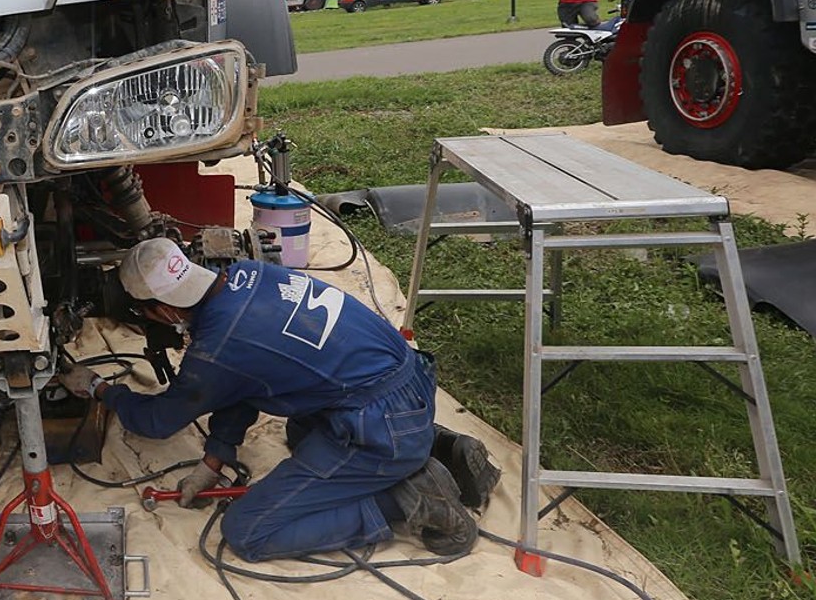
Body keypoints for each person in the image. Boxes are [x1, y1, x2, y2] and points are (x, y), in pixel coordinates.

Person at [61, 239, 499, 563]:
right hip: (408, 386)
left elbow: (156, 421)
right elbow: (246, 383)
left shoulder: (217, 348)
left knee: (249, 531)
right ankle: (441, 447)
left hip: (380, 427)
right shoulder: (250, 273)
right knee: (298, 429)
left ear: (162, 310)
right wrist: (215, 458)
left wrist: (100, 388)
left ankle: (406, 502)